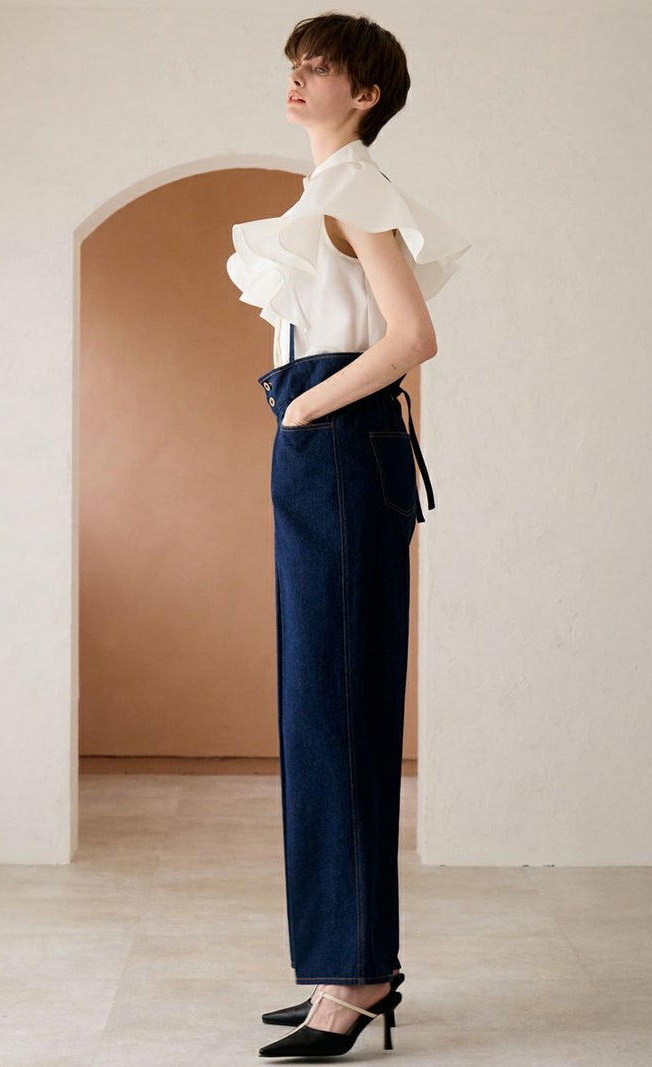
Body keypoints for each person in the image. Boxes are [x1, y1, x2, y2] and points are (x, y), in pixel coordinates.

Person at [226, 12, 471, 1059]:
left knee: (336, 708)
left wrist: (306, 410)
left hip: (334, 442)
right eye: (293, 64)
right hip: (327, 450)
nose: (297, 78)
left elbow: (412, 335)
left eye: (317, 66)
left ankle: (356, 969)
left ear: (364, 93)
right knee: (322, 707)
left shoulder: (354, 188)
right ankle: (343, 958)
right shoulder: (329, 188)